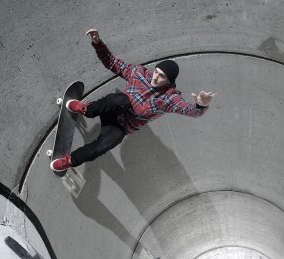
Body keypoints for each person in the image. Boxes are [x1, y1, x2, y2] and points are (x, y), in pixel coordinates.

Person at [50, 28, 216, 172]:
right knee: (122, 100)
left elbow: (189, 110)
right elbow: (113, 63)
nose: (156, 77)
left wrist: (201, 104)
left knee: (104, 145)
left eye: (162, 77)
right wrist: (98, 43)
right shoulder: (139, 73)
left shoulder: (169, 98)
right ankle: (86, 109)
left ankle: (69, 161)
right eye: (157, 72)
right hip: (113, 109)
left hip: (122, 126)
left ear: (169, 81)